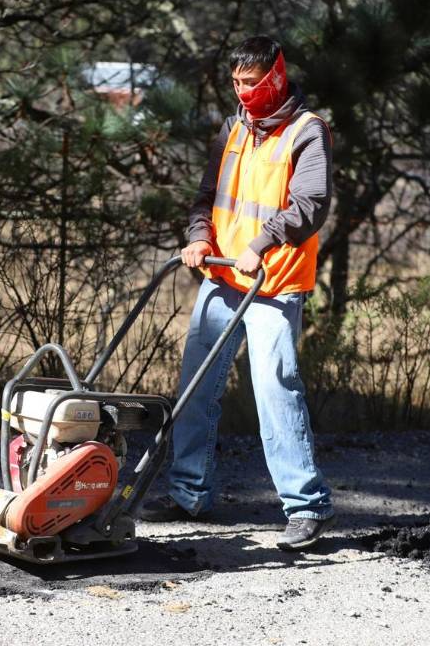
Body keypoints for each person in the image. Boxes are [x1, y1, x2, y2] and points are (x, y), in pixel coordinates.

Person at [139, 35, 335, 550]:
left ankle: (306, 507)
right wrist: (199, 237)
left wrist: (262, 241)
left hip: (272, 283)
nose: (242, 92)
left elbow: (311, 203)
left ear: (275, 76)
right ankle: (188, 494)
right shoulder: (232, 130)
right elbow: (206, 197)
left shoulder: (306, 131)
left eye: (251, 83)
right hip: (222, 280)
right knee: (196, 389)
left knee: (275, 390)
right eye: (236, 83)